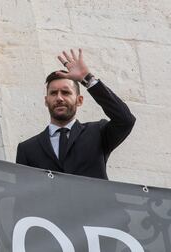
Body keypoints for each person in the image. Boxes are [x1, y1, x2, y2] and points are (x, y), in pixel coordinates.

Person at [16, 48, 136, 179]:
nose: (59, 98)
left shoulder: (97, 132)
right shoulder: (27, 149)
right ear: (46, 101)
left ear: (79, 100)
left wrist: (88, 79)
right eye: (53, 93)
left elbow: (125, 120)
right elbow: (24, 192)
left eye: (66, 92)